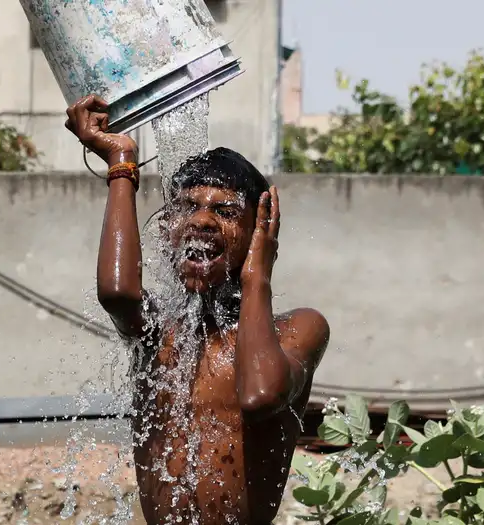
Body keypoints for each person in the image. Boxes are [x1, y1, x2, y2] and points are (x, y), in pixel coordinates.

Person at [65, 95, 331, 525]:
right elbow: (117, 294)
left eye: (225, 211)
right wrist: (121, 162)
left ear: (258, 234)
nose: (202, 221)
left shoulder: (298, 330)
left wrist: (256, 276)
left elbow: (259, 395)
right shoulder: (159, 331)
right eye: (188, 206)